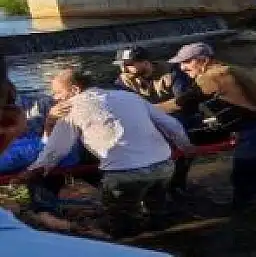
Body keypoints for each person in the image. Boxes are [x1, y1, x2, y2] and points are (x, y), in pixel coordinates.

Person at [15, 68, 194, 238]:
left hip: (124, 174)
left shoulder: (72, 108)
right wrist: (186, 148)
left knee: (121, 224)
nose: (55, 98)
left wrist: (34, 170)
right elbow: (172, 126)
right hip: (163, 165)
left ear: (75, 89)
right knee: (158, 212)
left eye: (57, 93)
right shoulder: (128, 96)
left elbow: (55, 151)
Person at [158, 42, 256, 206]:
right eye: (180, 63)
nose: (182, 68)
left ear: (203, 60)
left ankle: (245, 219)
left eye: (186, 62)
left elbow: (182, 103)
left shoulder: (213, 77)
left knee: (244, 177)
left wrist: (143, 108)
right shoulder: (228, 68)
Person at [112, 46, 212, 196]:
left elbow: (183, 102)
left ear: (146, 63)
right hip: (149, 119)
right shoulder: (123, 81)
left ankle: (177, 184)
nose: (124, 68)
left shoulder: (172, 73)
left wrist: (150, 110)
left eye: (129, 64)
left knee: (183, 138)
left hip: (182, 117)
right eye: (122, 64)